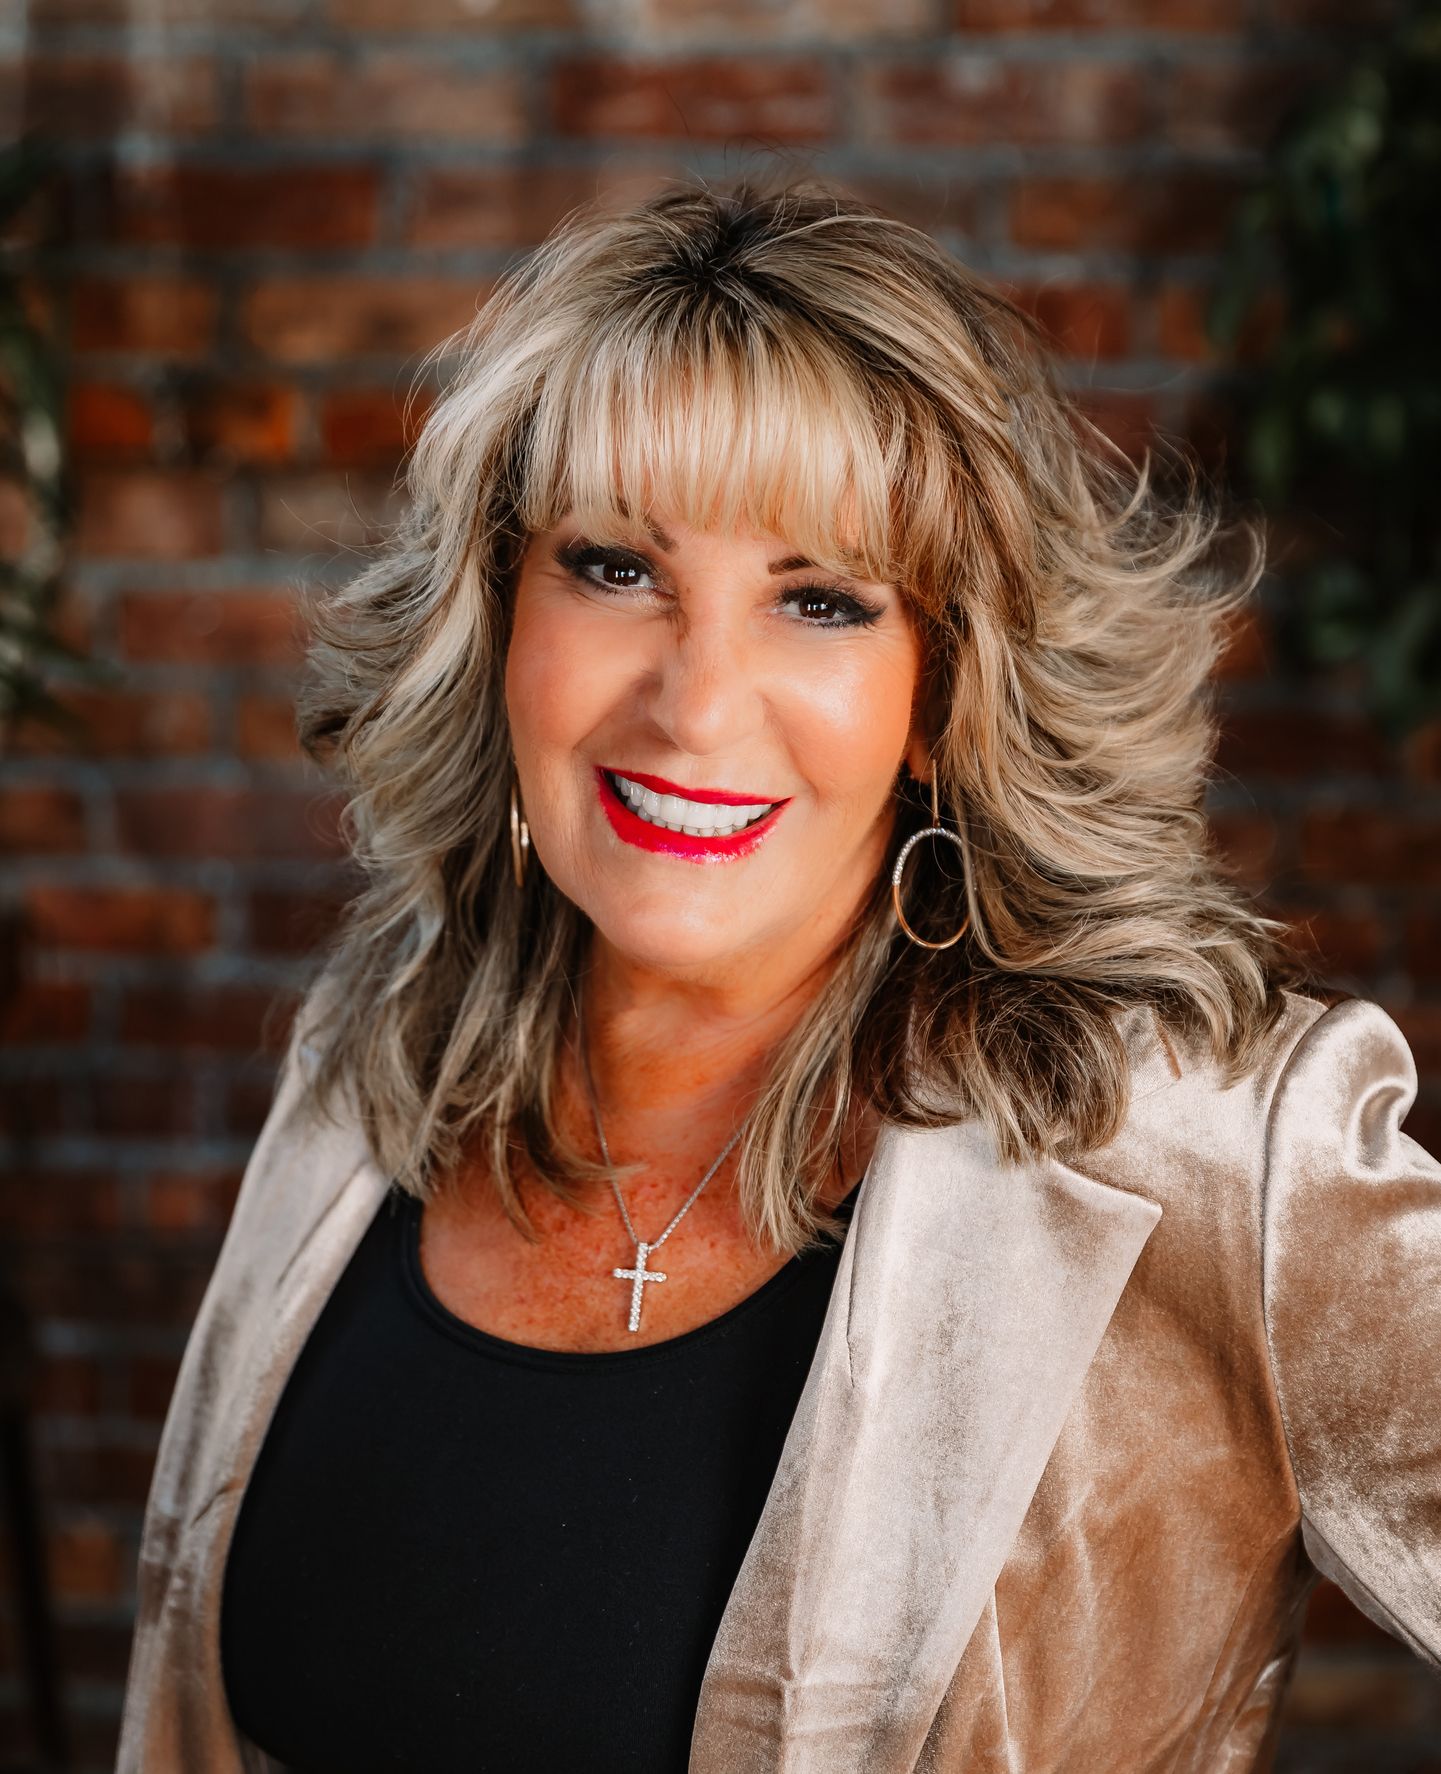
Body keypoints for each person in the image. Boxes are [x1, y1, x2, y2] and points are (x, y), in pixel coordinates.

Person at [116, 172, 1441, 1774]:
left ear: (944, 690)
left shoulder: (1201, 1152)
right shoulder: (377, 1053)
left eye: (818, 600)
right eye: (613, 566)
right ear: (496, 614)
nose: (694, 702)